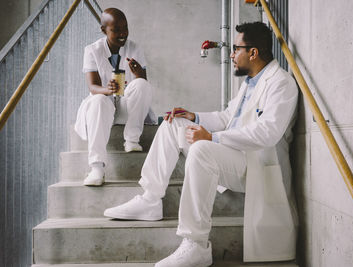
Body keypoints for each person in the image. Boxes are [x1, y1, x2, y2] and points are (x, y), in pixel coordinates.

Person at [104, 22, 298, 266]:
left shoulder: (281, 83)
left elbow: (268, 133)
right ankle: (150, 199)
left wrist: (213, 137)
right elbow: (227, 118)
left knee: (202, 149)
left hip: (255, 166)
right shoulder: (250, 82)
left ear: (253, 52)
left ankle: (196, 244)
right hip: (232, 154)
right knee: (172, 123)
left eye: (236, 48)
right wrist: (193, 117)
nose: (231, 54)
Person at [74, 8, 156, 186]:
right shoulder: (92, 50)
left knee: (142, 84)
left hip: (127, 109)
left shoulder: (135, 48)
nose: (122, 34)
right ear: (104, 30)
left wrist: (139, 73)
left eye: (125, 28)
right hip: (103, 108)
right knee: (98, 100)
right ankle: (96, 168)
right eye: (116, 30)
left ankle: (132, 140)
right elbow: (92, 86)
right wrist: (107, 90)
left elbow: (142, 88)